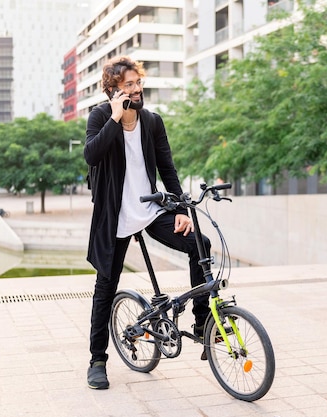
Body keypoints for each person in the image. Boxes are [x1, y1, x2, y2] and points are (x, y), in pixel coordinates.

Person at [84, 56, 211, 390]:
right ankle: (98, 360)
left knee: (201, 245)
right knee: (105, 287)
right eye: (129, 85)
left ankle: (202, 323)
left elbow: (167, 168)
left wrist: (182, 208)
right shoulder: (100, 115)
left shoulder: (152, 121)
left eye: (138, 82)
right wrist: (114, 118)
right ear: (113, 89)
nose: (137, 89)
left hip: (152, 210)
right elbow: (91, 155)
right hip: (114, 216)